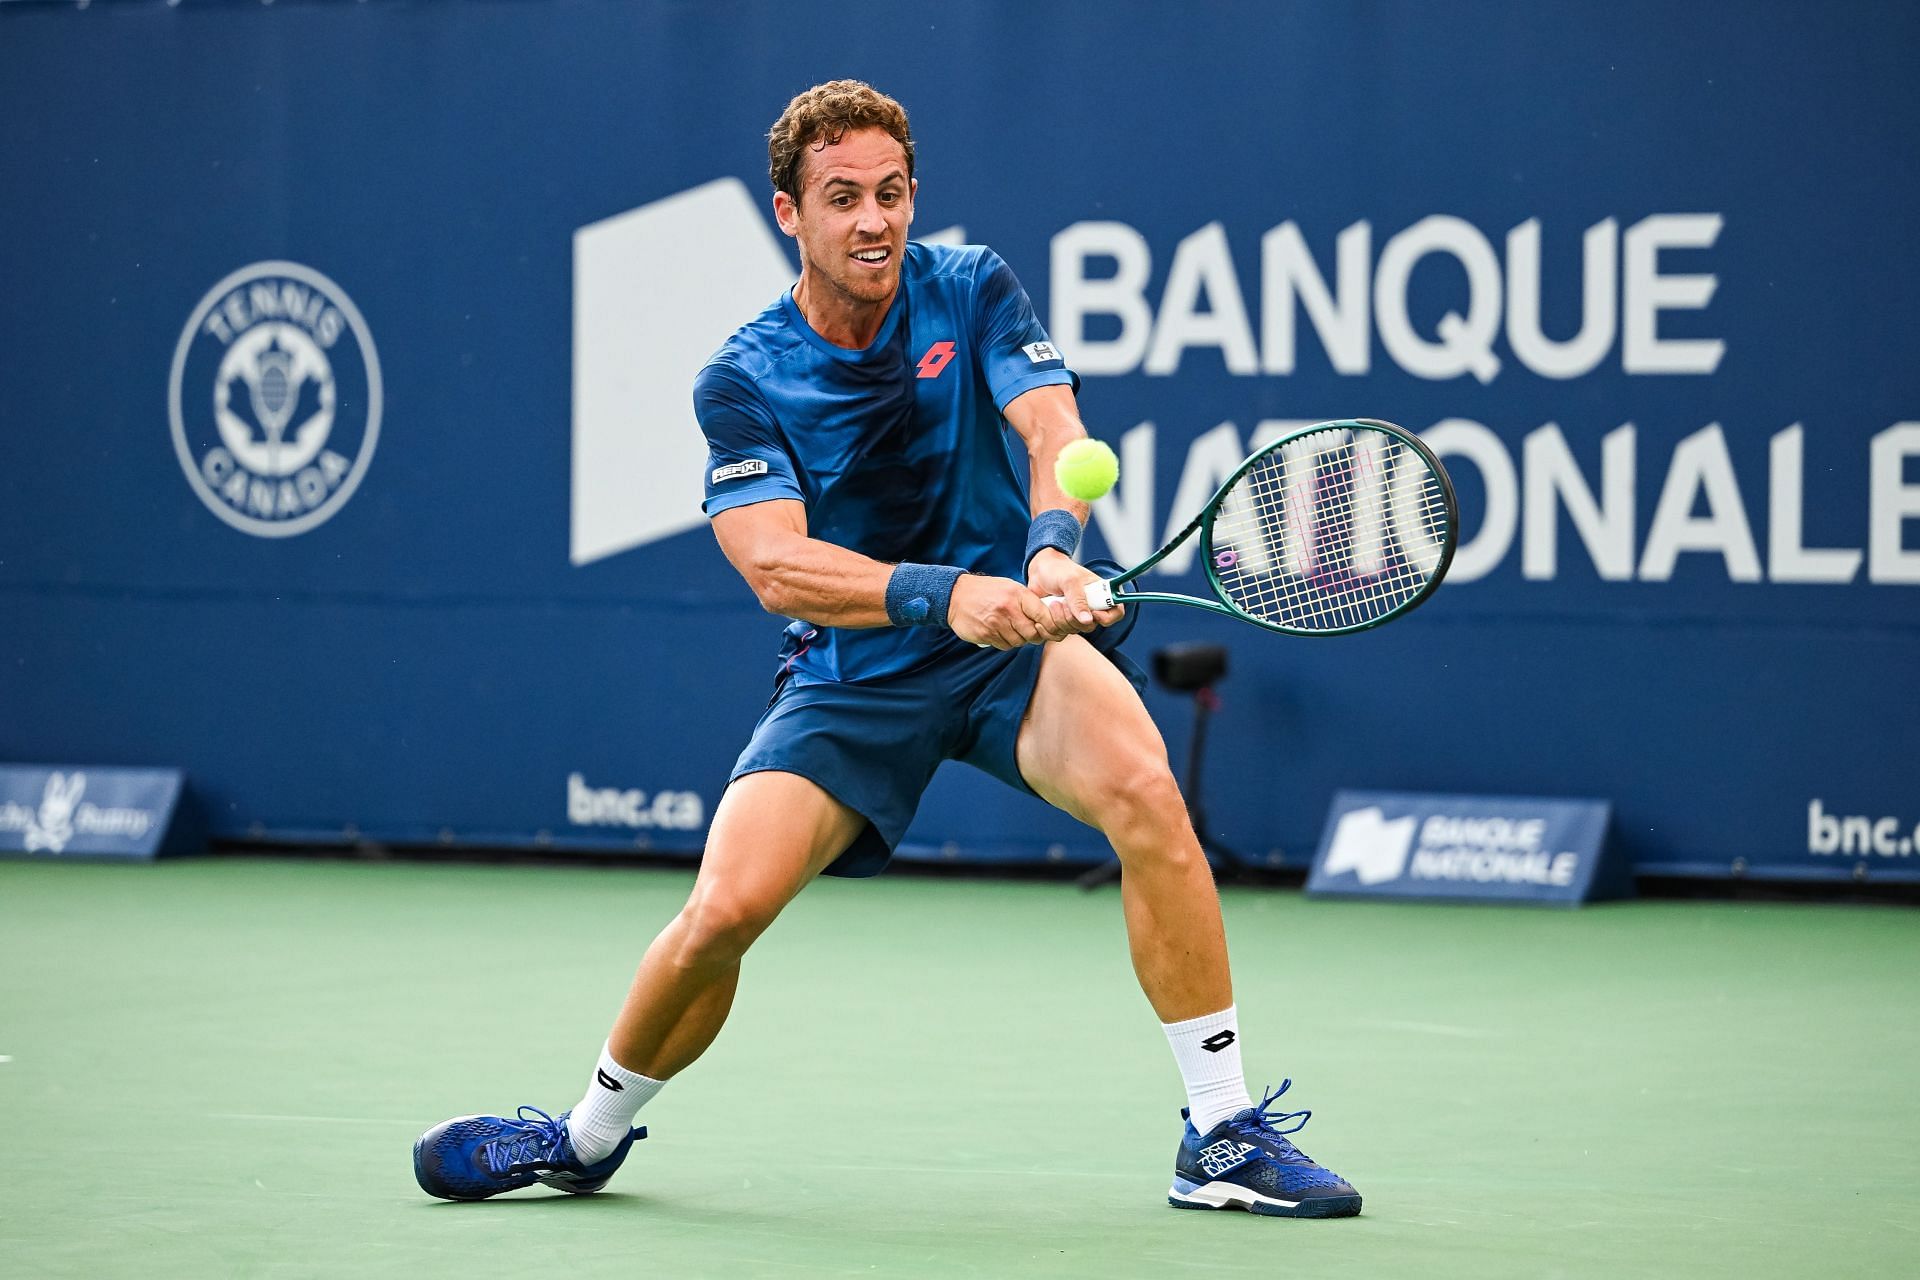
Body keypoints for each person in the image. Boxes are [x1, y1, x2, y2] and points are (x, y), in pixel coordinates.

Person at [413, 79, 1359, 1219]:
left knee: (1149, 793)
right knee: (723, 913)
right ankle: (583, 1134)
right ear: (790, 213)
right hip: (853, 673)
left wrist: (1053, 547)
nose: (875, 220)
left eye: (894, 193)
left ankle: (1220, 1131)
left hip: (1006, 652)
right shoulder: (744, 377)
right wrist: (942, 591)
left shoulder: (971, 287)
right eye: (844, 197)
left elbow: (1055, 427)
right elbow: (774, 565)